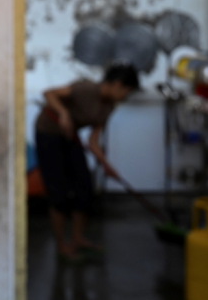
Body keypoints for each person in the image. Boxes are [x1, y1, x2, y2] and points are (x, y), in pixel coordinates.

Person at [35, 64, 139, 260]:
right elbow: (48, 93)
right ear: (117, 84)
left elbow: (93, 141)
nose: (126, 97)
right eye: (127, 91)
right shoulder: (86, 89)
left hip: (70, 136)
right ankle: (61, 246)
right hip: (48, 134)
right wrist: (64, 113)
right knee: (59, 192)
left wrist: (106, 165)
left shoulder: (109, 107)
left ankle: (77, 239)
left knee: (84, 187)